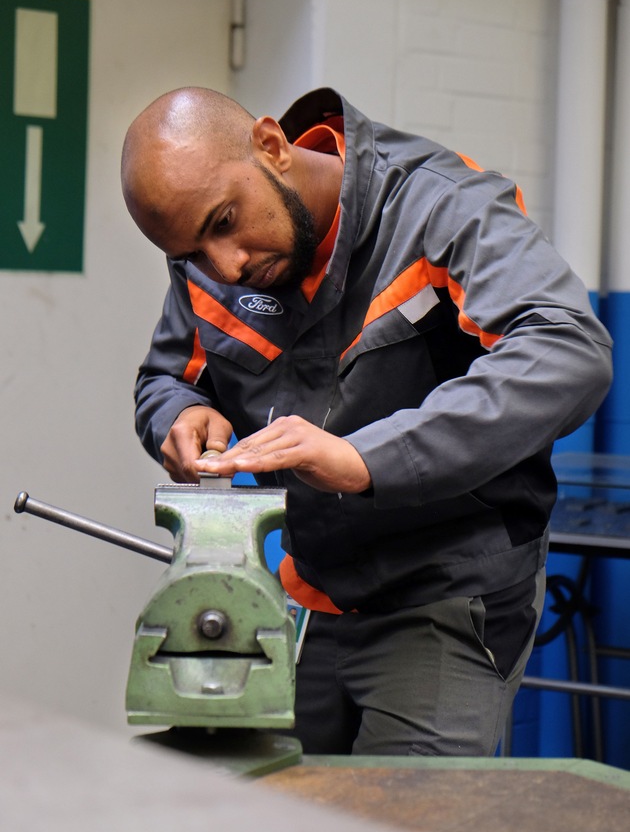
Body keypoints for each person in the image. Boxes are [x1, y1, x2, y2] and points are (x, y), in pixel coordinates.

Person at [121, 85, 613, 756]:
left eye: (225, 222)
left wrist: (367, 459)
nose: (226, 266)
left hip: (447, 597)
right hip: (307, 599)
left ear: (271, 145)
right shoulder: (210, 262)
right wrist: (181, 412)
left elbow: (568, 350)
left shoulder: (442, 209)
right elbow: (164, 378)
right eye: (193, 254)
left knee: (403, 822)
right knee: (269, 810)